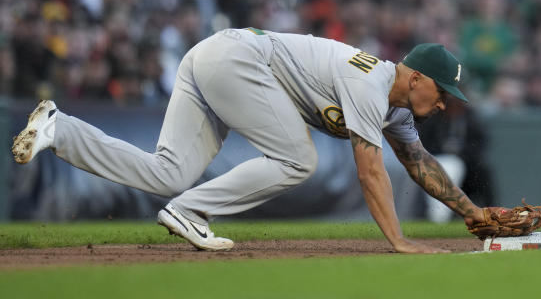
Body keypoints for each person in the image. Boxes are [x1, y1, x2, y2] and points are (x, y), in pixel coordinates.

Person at [12, 27, 490, 253]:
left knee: (169, 172)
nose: (446, 102)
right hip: (237, 60)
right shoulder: (370, 83)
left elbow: (418, 162)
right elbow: (369, 170)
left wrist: (474, 214)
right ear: (418, 77)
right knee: (298, 159)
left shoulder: (396, 107)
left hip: (213, 58)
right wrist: (399, 241)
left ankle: (60, 129)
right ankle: (193, 209)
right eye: (442, 90)